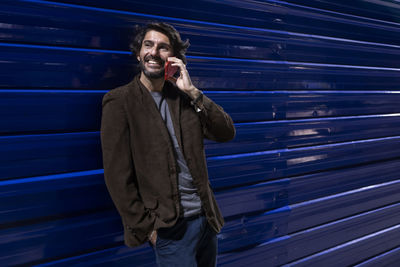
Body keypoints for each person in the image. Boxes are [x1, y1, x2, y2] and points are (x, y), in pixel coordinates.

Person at [100, 22, 235, 267]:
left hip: (206, 220)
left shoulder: (184, 98)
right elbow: (117, 176)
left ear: (173, 57)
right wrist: (149, 229)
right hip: (170, 229)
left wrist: (193, 91)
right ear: (139, 52)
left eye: (163, 48)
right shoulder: (119, 102)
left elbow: (225, 132)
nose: (154, 52)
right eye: (148, 45)